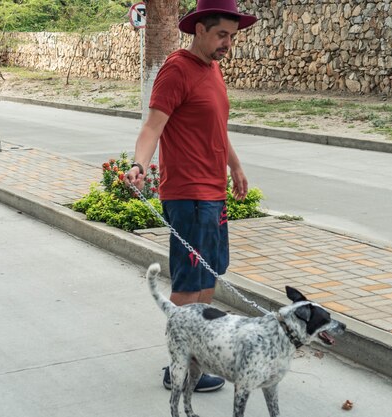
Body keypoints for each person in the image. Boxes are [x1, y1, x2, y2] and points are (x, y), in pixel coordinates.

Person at [126, 0, 258, 392]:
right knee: (188, 282)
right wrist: (138, 164)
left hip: (213, 193)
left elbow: (216, 127)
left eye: (232, 37)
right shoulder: (176, 70)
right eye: (222, 35)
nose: (228, 44)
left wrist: (234, 165)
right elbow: (153, 126)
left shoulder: (213, 69)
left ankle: (196, 358)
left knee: (210, 274)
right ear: (199, 29)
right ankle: (178, 369)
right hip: (188, 195)